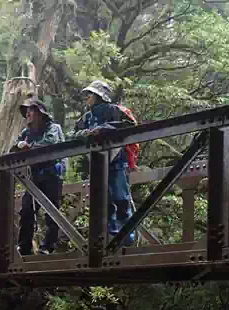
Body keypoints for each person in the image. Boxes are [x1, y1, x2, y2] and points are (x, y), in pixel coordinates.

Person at [71, 80, 137, 247]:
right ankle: (112, 239)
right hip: (97, 164)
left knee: (121, 199)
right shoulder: (86, 117)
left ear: (100, 95)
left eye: (90, 94)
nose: (86, 97)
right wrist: (86, 133)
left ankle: (127, 239)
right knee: (104, 203)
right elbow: (72, 134)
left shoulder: (115, 110)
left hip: (117, 161)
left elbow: (131, 125)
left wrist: (106, 128)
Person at [10, 96, 67, 256]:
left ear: (40, 113)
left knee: (52, 211)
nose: (27, 114)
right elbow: (14, 147)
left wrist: (29, 146)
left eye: (31, 110)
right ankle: (24, 247)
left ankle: (48, 247)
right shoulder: (26, 132)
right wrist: (19, 146)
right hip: (34, 177)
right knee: (26, 210)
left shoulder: (53, 128)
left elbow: (49, 144)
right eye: (26, 111)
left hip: (52, 173)